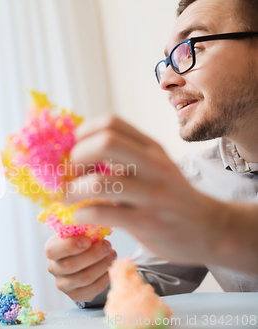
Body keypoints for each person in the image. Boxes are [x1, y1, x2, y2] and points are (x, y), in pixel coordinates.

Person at [45, 0, 258, 308]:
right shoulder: (196, 178)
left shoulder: (192, 200)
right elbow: (145, 279)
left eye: (191, 48)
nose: (166, 81)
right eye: (167, 61)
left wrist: (216, 225)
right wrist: (93, 280)